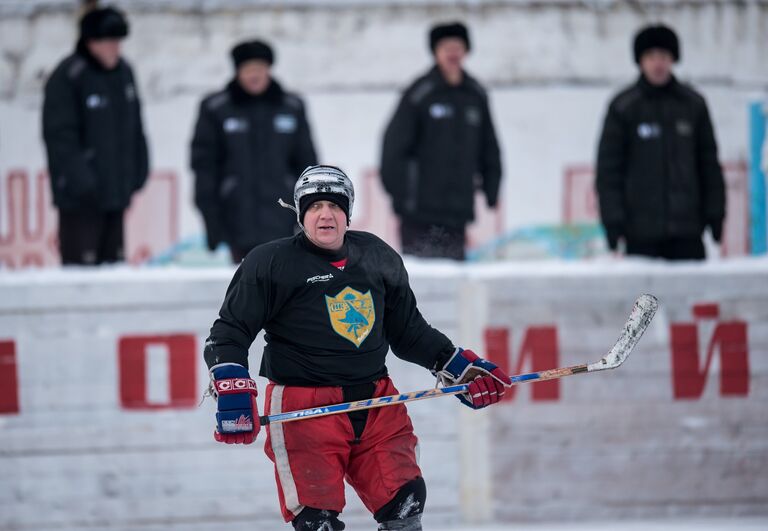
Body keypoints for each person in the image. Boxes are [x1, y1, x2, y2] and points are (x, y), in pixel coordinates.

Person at [203, 165, 511, 530]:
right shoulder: (270, 262)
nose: (325, 214)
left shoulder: (377, 255)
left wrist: (455, 364)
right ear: (301, 214)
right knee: (318, 521)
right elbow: (229, 332)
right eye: (314, 206)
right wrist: (231, 382)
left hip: (378, 402)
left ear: (347, 212)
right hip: (305, 410)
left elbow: (408, 331)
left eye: (334, 205)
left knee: (405, 505)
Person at [596, 23, 725, 260]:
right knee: (647, 299)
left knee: (687, 296)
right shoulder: (623, 107)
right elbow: (608, 171)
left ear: (673, 59)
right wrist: (613, 223)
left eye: (663, 56)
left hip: (688, 234)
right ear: (640, 61)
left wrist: (716, 214)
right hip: (640, 237)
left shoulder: (693, 105)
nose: (658, 63)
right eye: (651, 56)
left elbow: (709, 164)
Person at [380, 22, 502, 261]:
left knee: (453, 283)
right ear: (436, 52)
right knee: (419, 283)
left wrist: (492, 187)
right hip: (419, 213)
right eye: (446, 47)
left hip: (457, 211)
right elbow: (393, 148)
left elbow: (490, 147)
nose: (452, 53)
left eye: (457, 47)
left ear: (466, 51)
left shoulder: (475, 95)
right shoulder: (419, 94)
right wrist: (402, 196)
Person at [191, 39, 317, 263]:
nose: (254, 75)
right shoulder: (216, 109)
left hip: (283, 223)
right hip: (233, 227)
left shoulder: (292, 107)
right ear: (238, 72)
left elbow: (307, 165)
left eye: (259, 69)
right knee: (240, 290)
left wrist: (307, 215)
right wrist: (212, 221)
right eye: (248, 69)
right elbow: (204, 168)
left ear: (269, 69)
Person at [42, 6, 149, 265]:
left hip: (116, 195)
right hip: (80, 202)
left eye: (118, 42)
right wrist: (84, 182)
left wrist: (139, 170)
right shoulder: (68, 76)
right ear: (91, 42)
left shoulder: (124, 73)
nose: (116, 48)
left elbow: (135, 127)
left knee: (114, 273)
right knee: (81, 276)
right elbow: (60, 138)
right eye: (109, 41)